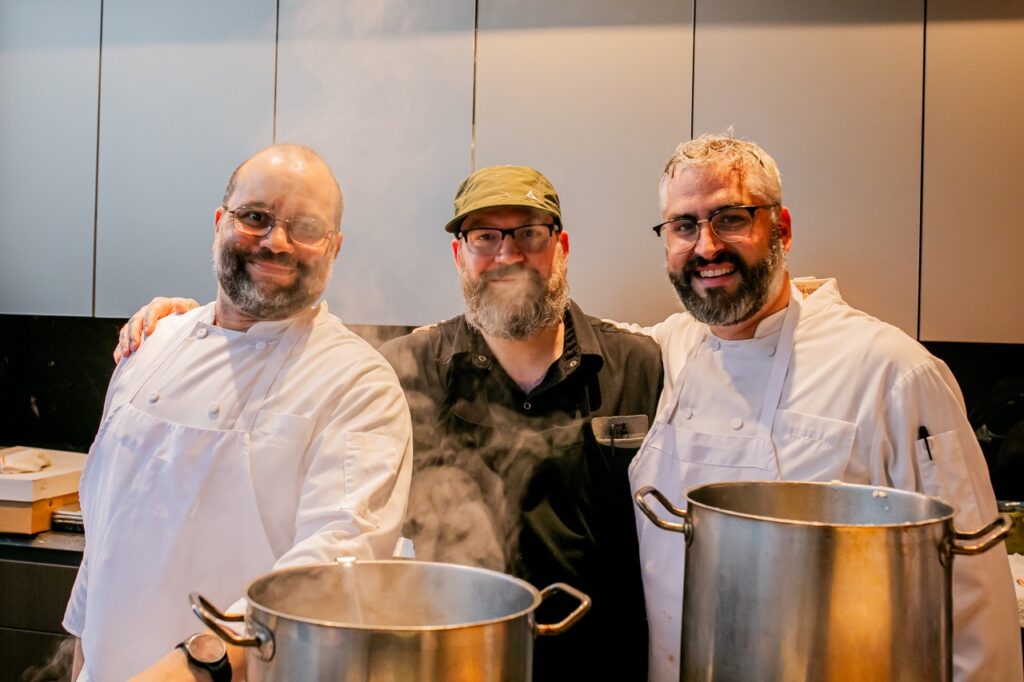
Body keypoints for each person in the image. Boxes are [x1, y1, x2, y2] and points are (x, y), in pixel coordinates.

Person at [118, 165, 663, 680]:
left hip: (606, 668)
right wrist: (190, 329)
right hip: (447, 666)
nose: (507, 256)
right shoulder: (400, 369)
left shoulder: (643, 363)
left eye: (528, 235)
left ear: (561, 249)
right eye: (484, 239)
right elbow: (274, 344)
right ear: (458, 255)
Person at [630, 133, 1023, 682]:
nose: (706, 247)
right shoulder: (661, 353)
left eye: (731, 218)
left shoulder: (891, 372)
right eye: (684, 226)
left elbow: (973, 599)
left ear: (782, 229)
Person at [64, 144, 413, 682]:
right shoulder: (152, 343)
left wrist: (194, 667)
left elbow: (333, 568)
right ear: (219, 222)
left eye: (306, 227)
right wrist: (84, 648)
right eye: (255, 218)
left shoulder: (357, 382)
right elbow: (108, 524)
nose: (276, 242)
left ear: (335, 247)